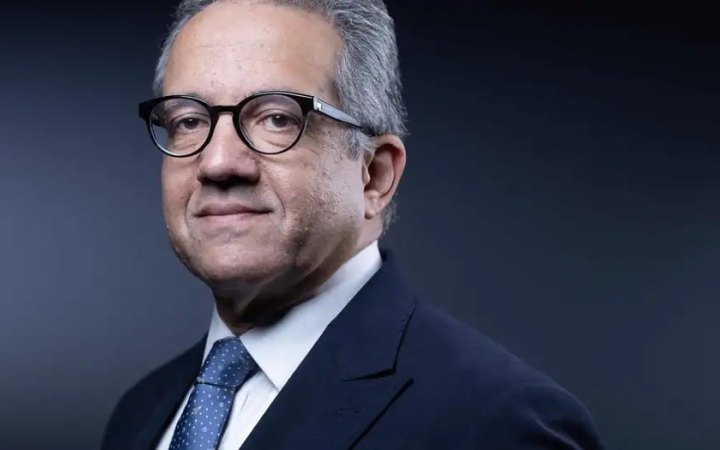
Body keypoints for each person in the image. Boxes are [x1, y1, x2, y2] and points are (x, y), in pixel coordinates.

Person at [102, 1, 604, 449]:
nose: (218, 163)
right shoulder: (142, 412)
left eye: (276, 118)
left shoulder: (499, 424)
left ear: (375, 175)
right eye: (189, 121)